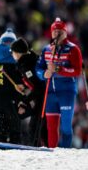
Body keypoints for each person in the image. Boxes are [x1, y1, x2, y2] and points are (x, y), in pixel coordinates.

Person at [36, 18, 82, 148]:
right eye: (54, 31)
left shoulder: (73, 49)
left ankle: (65, 152)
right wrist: (44, 74)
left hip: (66, 92)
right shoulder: (46, 50)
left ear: (65, 33)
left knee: (66, 127)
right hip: (50, 92)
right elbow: (38, 68)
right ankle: (53, 155)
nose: (57, 34)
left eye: (60, 31)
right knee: (51, 127)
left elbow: (77, 70)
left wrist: (59, 69)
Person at [10, 38, 48, 147]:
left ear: (18, 53)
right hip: (42, 96)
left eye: (13, 52)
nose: (12, 54)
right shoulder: (29, 59)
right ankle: (44, 148)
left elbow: (38, 87)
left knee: (35, 127)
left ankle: (35, 149)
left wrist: (25, 102)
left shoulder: (26, 65)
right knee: (40, 127)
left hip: (43, 97)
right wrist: (25, 87)